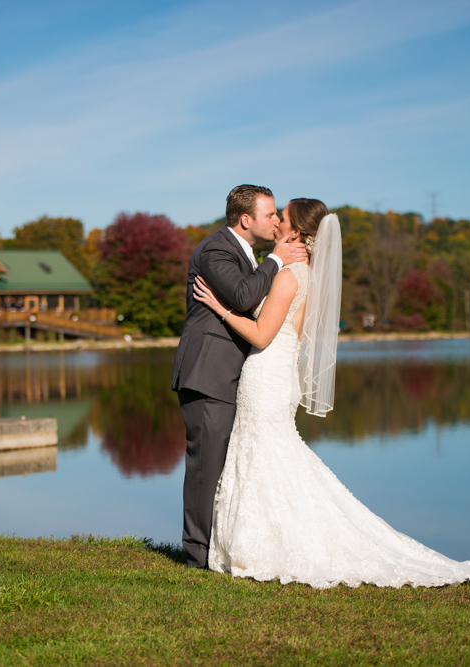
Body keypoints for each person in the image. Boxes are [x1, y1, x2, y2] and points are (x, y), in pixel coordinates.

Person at [192, 198, 470, 588]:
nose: (276, 220)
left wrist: (221, 308)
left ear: (295, 232)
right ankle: (272, 540)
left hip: (266, 373)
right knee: (272, 454)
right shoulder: (307, 273)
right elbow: (291, 335)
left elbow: (264, 335)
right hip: (279, 374)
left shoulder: (287, 273)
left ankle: (264, 545)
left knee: (265, 453)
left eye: (283, 217)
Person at [172, 184, 308, 569]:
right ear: (246, 220)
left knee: (227, 467)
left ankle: (220, 547)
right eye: (270, 215)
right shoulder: (216, 250)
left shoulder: (250, 255)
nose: (277, 220)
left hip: (237, 376)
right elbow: (245, 296)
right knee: (206, 465)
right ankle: (197, 555)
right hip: (207, 372)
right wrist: (278, 258)